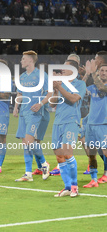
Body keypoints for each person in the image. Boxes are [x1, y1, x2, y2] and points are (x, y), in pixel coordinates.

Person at [13, 50, 51, 182]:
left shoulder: (41, 75)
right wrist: (16, 107)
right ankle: (28, 173)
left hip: (35, 112)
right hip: (24, 111)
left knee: (29, 141)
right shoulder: (22, 77)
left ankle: (44, 164)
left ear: (30, 60)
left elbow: (49, 93)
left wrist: (40, 104)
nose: (21, 61)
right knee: (25, 143)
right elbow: (20, 94)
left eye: (23, 59)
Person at [50, 60, 86, 197]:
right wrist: (54, 90)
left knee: (67, 152)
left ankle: (74, 186)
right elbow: (53, 104)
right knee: (59, 156)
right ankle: (67, 187)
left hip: (71, 121)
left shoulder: (80, 84)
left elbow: (73, 99)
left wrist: (59, 88)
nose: (62, 70)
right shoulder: (61, 84)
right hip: (57, 122)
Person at [82, 61, 107, 188]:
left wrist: (92, 73)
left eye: (106, 71)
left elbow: (102, 89)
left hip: (104, 124)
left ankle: (106, 174)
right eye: (101, 70)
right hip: (91, 124)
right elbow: (79, 90)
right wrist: (86, 74)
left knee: (106, 151)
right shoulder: (91, 88)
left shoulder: (105, 86)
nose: (104, 73)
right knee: (91, 153)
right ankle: (93, 179)